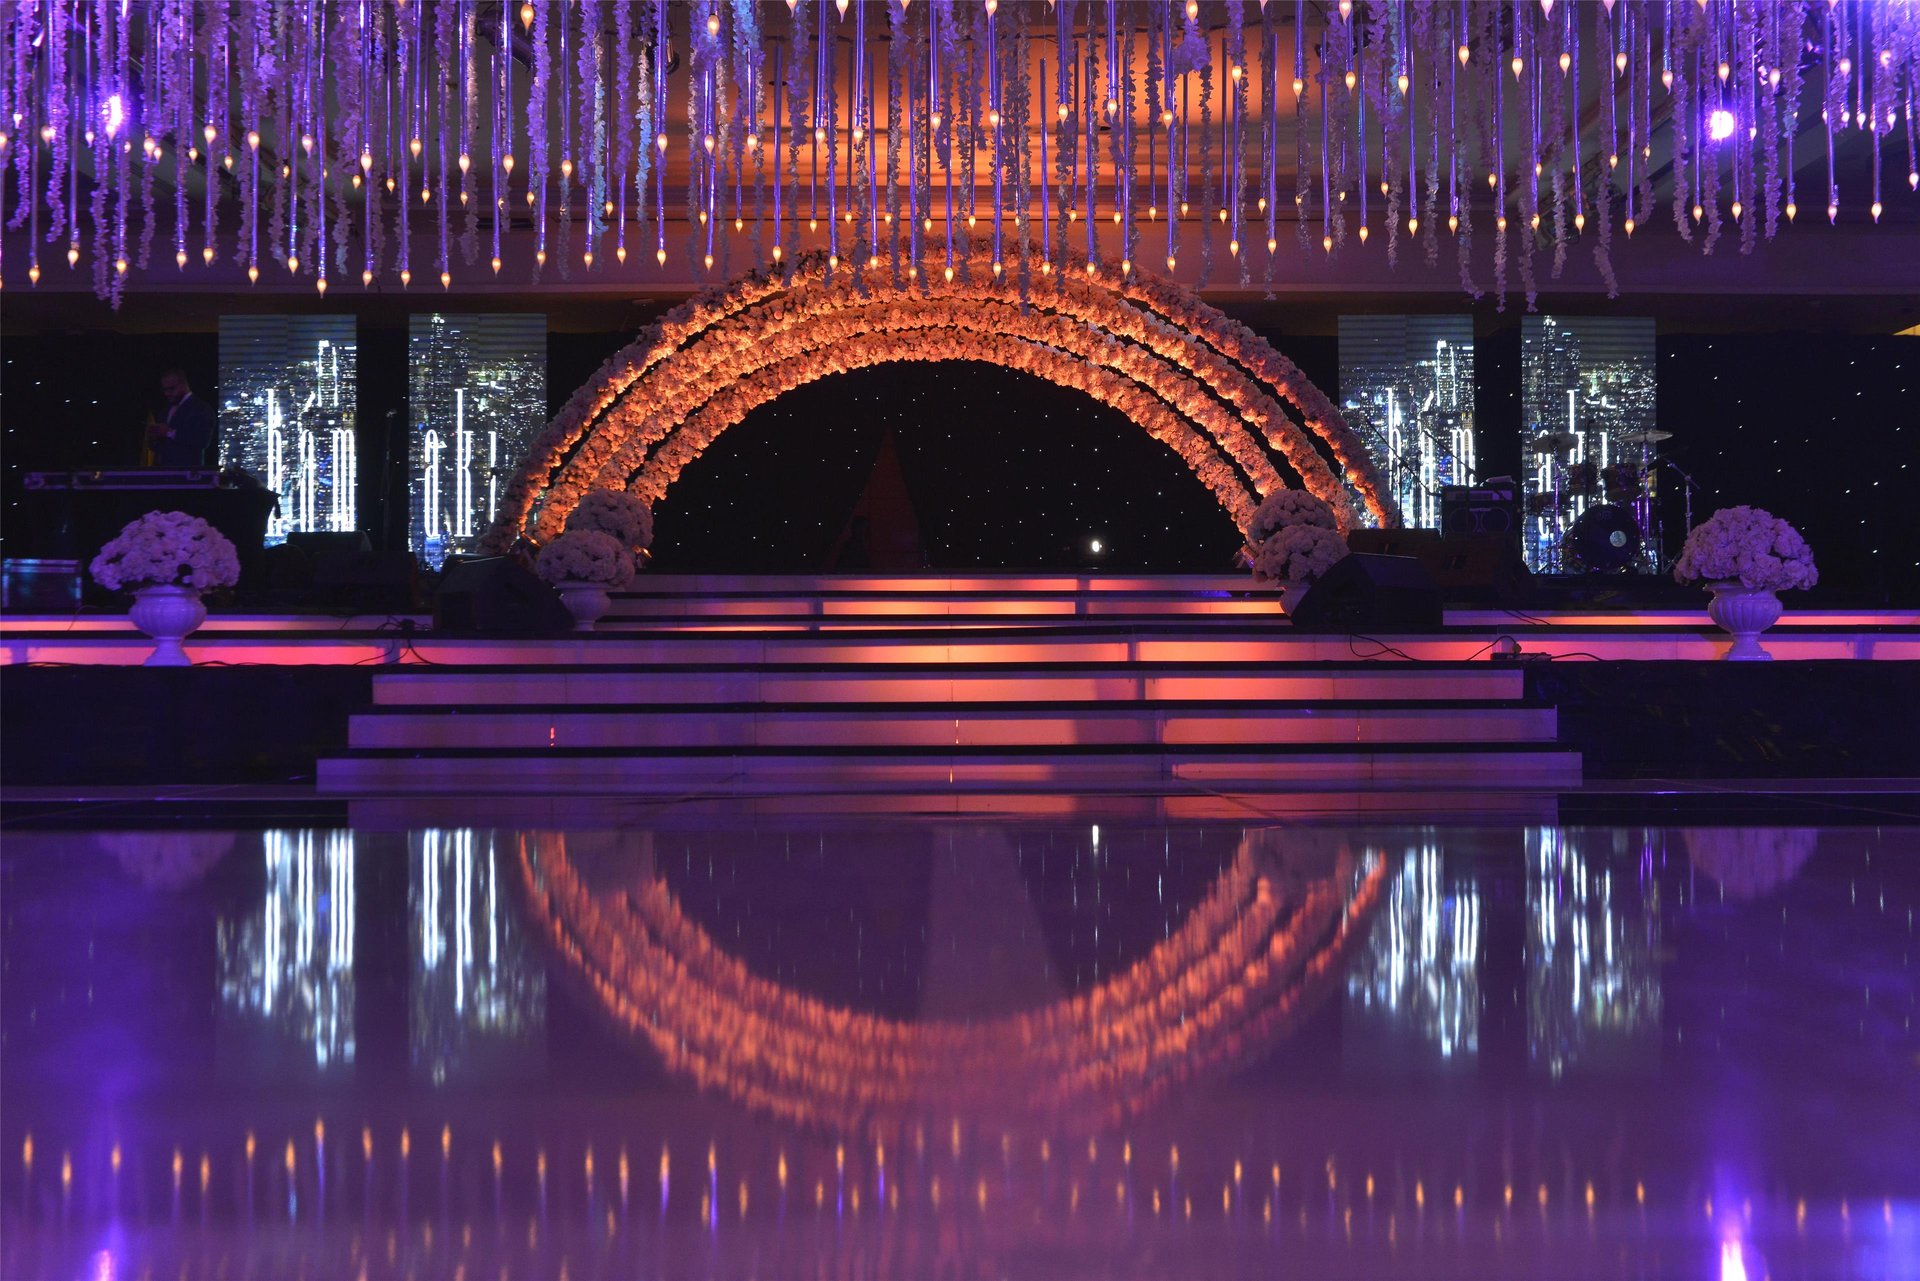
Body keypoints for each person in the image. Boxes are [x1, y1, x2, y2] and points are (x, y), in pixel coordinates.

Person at [148, 368, 219, 468]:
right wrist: (154, 438)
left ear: (183, 385)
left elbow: (202, 440)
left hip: (187, 472)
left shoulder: (201, 408)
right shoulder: (165, 410)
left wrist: (169, 432)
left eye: (171, 389)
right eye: (164, 390)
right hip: (163, 471)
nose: (167, 393)